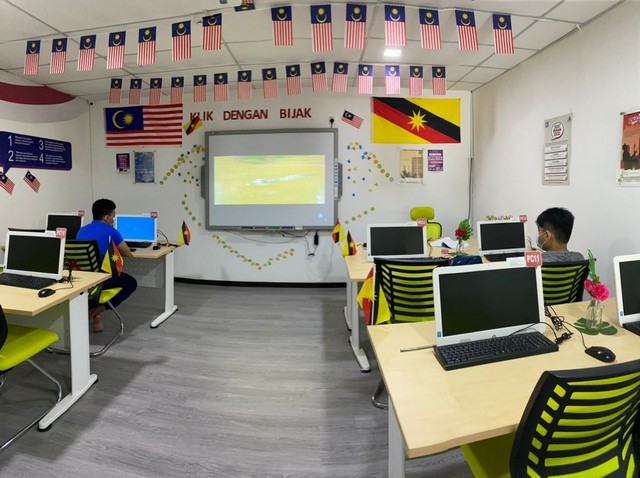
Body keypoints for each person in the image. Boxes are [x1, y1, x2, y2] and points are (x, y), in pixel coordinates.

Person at [76, 199, 137, 333]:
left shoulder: (81, 231)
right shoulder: (111, 231)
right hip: (103, 279)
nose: (113, 218)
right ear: (106, 217)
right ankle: (97, 310)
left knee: (98, 283)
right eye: (113, 215)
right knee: (131, 283)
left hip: (85, 279)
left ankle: (96, 315)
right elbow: (127, 253)